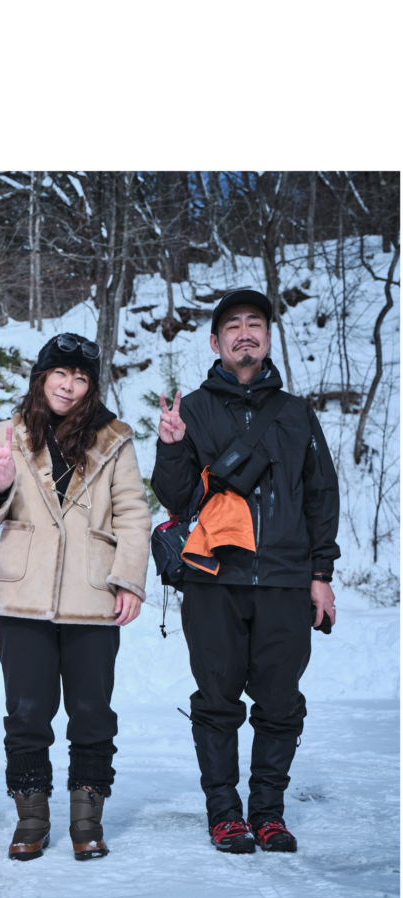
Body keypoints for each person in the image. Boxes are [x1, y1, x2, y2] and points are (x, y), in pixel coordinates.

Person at [151, 289, 339, 854]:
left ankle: (269, 814)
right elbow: (174, 498)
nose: (244, 333)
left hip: (285, 578)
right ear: (216, 343)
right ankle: (225, 814)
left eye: (254, 323)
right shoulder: (193, 410)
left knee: (280, 701)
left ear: (268, 337)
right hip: (214, 578)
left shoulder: (297, 413)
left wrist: (321, 573)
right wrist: (171, 447)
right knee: (217, 700)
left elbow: (321, 495)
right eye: (232, 326)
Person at [0, 334, 151, 862]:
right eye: (60, 374)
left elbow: (133, 514)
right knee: (26, 712)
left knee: (91, 711)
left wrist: (129, 580)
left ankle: (86, 821)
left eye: (80, 378)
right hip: (23, 595)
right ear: (41, 377)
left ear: (91, 386)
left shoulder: (114, 439)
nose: (69, 386)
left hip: (92, 595)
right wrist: (2, 480)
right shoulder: (8, 434)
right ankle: (31, 819)